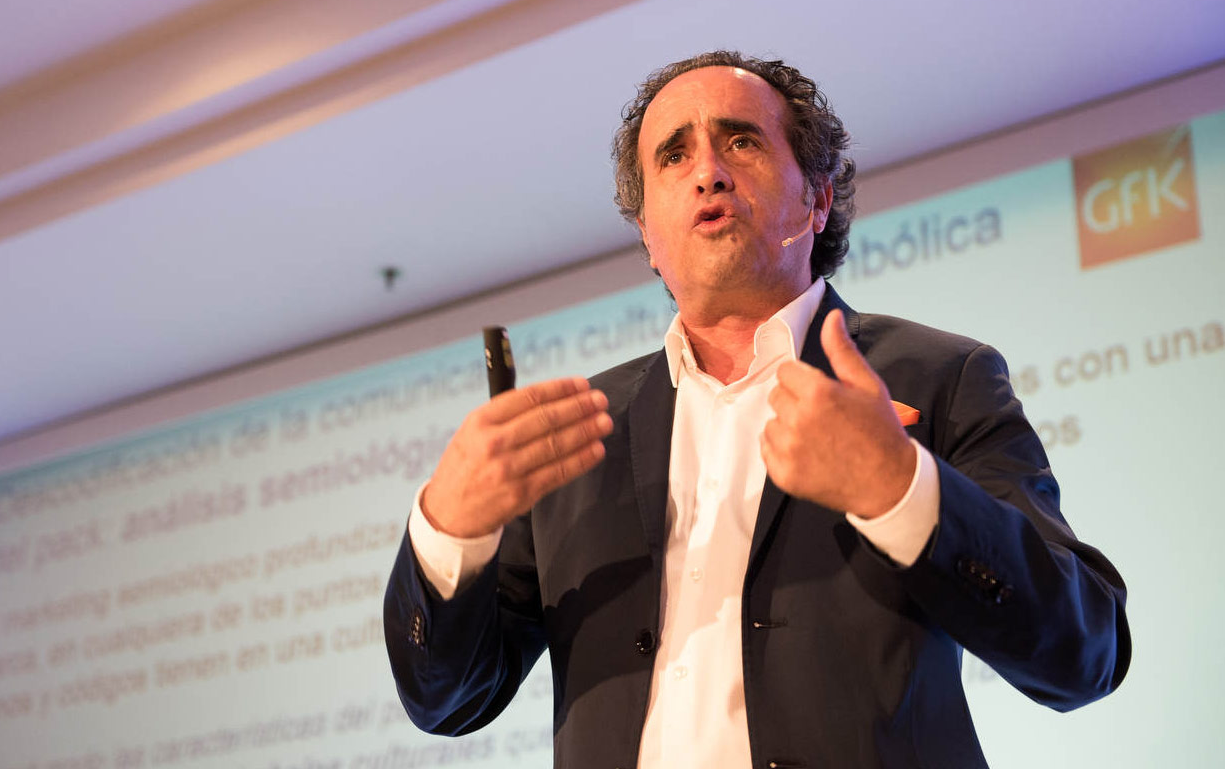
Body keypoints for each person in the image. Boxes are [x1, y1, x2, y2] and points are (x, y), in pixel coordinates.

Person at [383, 51, 1130, 769]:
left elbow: (1084, 653)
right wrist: (450, 526)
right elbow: (448, 701)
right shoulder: (583, 431)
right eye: (673, 155)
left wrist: (901, 490)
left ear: (818, 198)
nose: (707, 171)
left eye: (740, 140)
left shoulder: (938, 377)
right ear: (648, 236)